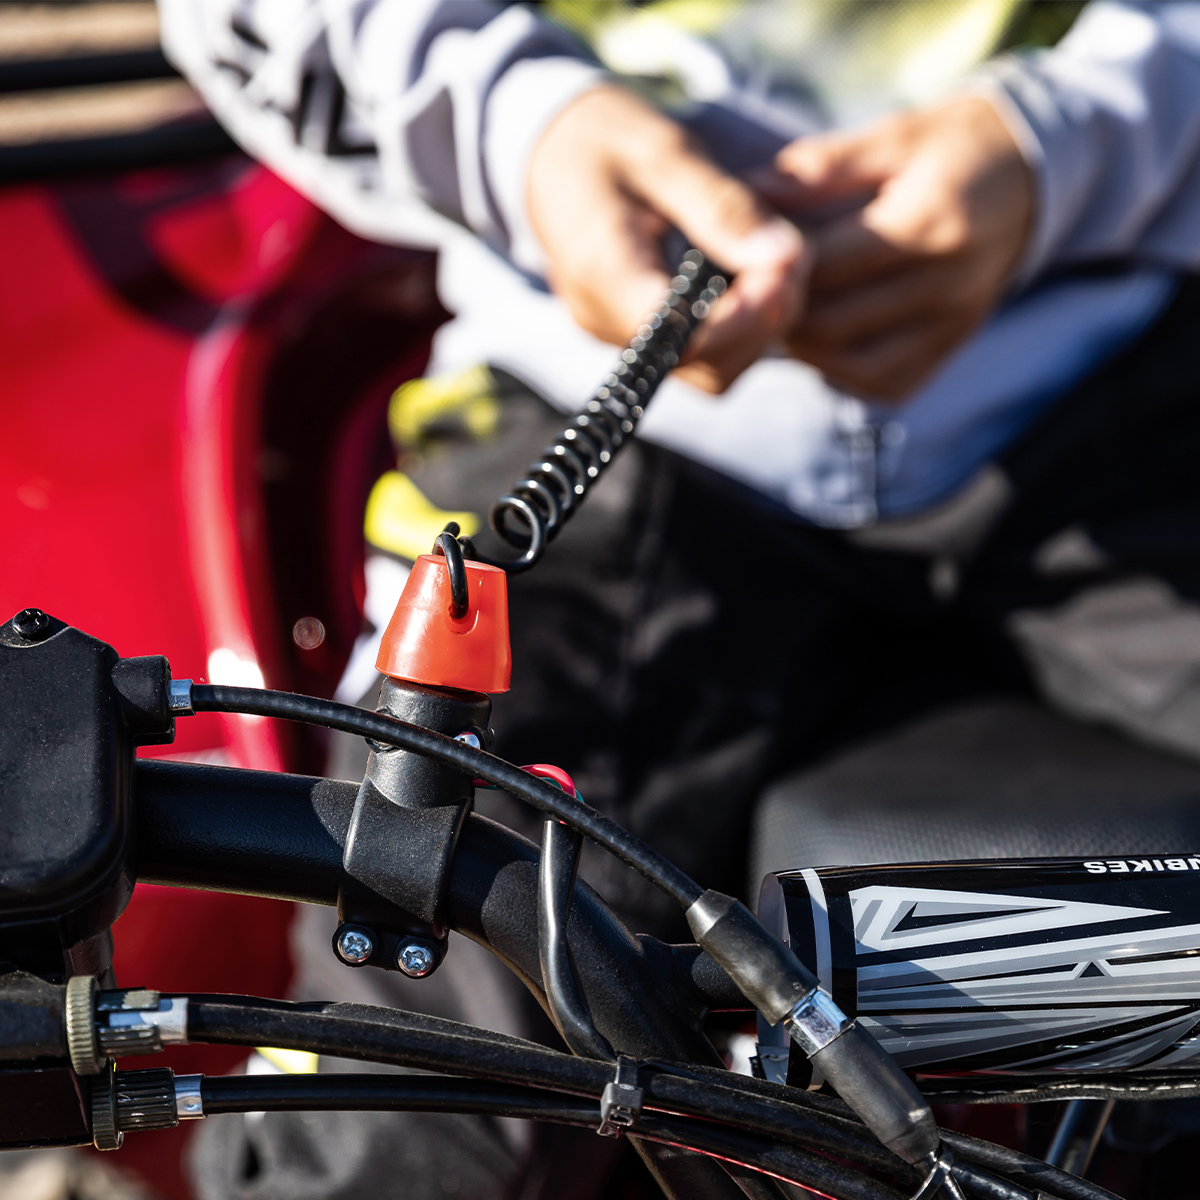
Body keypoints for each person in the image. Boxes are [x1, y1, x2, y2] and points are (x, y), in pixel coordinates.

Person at [159, 2, 1200, 1197]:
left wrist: (1071, 146)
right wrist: (528, 127)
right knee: (404, 1130)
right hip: (583, 403)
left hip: (1118, 367)